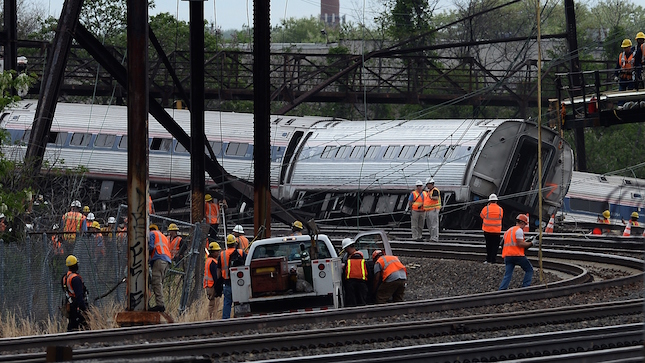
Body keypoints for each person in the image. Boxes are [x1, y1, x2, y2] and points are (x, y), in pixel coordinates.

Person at [498, 214, 536, 290]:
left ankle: (501, 290)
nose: (524, 226)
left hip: (507, 256)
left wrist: (528, 240)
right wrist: (532, 243)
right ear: (522, 223)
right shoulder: (519, 230)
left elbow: (502, 243)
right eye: (525, 224)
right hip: (517, 255)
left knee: (507, 274)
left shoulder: (508, 230)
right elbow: (520, 244)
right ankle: (525, 288)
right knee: (529, 270)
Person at [218, 234, 246, 319]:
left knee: (227, 303)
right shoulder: (241, 252)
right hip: (240, 283)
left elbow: (218, 271)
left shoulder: (222, 254)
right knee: (241, 302)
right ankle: (241, 319)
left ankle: (225, 322)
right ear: (235, 243)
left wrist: (218, 282)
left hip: (227, 283)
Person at [62, 255, 88, 331]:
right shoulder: (75, 279)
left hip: (71, 305)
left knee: (72, 326)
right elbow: (79, 295)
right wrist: (84, 309)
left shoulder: (66, 277)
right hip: (77, 307)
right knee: (83, 326)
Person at [149, 224, 171, 312]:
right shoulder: (163, 236)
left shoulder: (151, 234)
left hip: (158, 259)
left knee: (156, 282)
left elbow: (150, 247)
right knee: (159, 282)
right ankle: (160, 303)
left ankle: (160, 304)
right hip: (166, 260)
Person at [341, 238, 368, 306]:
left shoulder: (348, 261)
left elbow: (344, 273)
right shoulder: (362, 260)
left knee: (352, 301)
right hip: (362, 282)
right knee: (362, 301)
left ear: (348, 248)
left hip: (350, 283)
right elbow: (368, 272)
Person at [480, 193, 504, 264]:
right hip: (496, 231)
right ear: (496, 201)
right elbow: (501, 217)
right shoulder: (500, 209)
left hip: (487, 230)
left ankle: (488, 259)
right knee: (495, 246)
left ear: (489, 201)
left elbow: (481, 216)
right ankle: (493, 260)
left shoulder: (486, 208)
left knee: (488, 245)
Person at [204, 241, 223, 320]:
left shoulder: (209, 260)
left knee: (212, 304)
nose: (218, 252)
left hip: (209, 285)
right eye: (217, 251)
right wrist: (219, 287)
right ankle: (212, 319)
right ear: (213, 252)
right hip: (212, 286)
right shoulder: (213, 262)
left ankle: (211, 318)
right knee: (213, 304)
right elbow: (216, 276)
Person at [424, 177, 441, 242]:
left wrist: (431, 197)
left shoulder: (435, 190)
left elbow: (436, 197)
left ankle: (435, 238)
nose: (427, 186)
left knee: (434, 224)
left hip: (433, 209)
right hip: (429, 209)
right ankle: (432, 237)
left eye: (427, 184)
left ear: (431, 184)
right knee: (430, 224)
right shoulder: (429, 191)